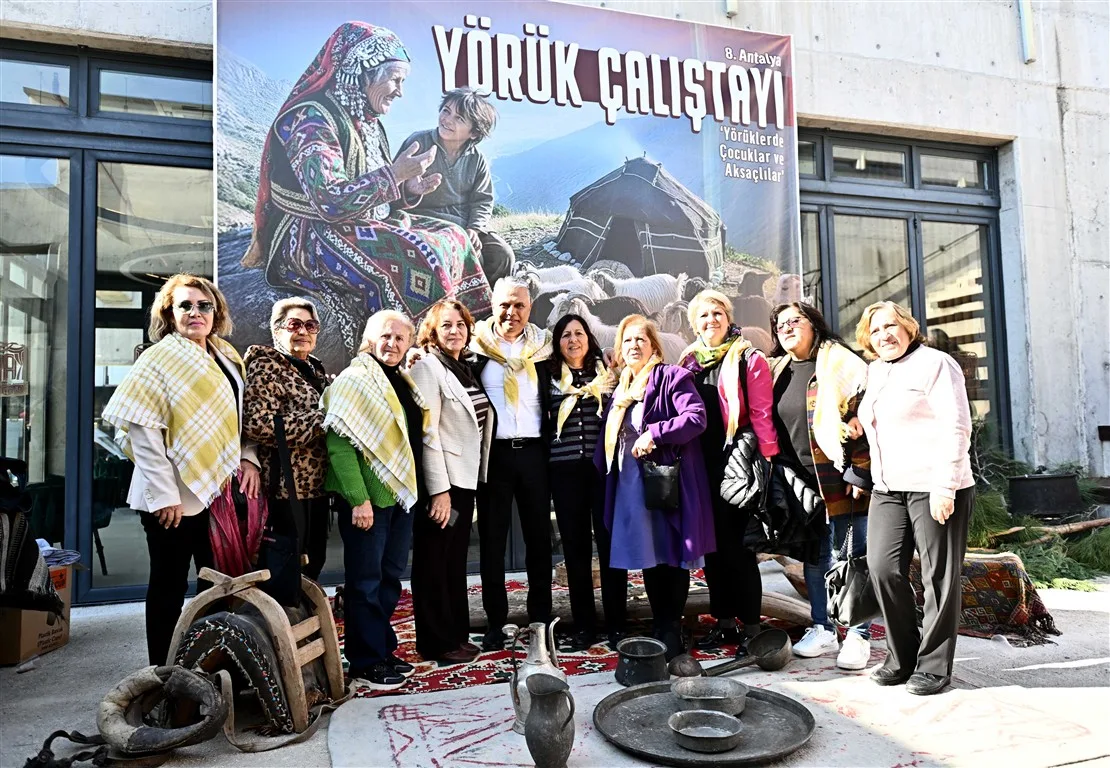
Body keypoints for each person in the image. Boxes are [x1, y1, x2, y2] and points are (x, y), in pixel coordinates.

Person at [240, 21, 491, 355]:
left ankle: (469, 341)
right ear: (364, 73)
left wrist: (409, 186)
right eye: (395, 80)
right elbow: (329, 201)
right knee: (418, 257)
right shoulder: (310, 119)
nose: (400, 91)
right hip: (310, 231)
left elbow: (379, 189)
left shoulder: (368, 120)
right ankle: (421, 353)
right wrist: (393, 175)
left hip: (362, 219)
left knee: (454, 236)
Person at [102, 274, 260, 665]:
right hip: (172, 498)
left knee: (215, 583)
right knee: (168, 585)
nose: (195, 312)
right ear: (169, 313)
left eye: (204, 305)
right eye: (184, 305)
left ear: (216, 312)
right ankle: (164, 670)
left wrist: (247, 456)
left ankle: (207, 662)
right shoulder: (158, 358)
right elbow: (142, 429)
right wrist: (164, 495)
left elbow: (237, 418)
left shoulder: (227, 355)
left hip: (217, 492)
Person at [857, 301, 974, 696]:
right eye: (875, 330)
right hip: (888, 488)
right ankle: (902, 656)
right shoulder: (876, 370)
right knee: (882, 567)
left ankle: (934, 666)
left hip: (934, 484)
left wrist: (945, 486)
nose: (884, 335)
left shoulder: (936, 364)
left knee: (937, 576)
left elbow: (956, 426)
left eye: (890, 326)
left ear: (908, 327)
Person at [596, 315, 715, 660]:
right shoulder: (621, 388)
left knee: (671, 553)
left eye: (640, 339)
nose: (634, 345)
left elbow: (696, 418)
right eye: (627, 340)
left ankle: (670, 627)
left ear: (654, 346)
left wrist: (655, 433)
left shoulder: (671, 377)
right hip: (631, 483)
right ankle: (659, 625)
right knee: (649, 555)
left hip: (665, 479)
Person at [323, 310, 427, 690]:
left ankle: (382, 650)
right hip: (369, 501)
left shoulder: (402, 381)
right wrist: (358, 499)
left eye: (400, 338)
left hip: (399, 498)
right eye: (385, 336)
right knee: (365, 582)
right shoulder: (354, 381)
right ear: (369, 339)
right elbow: (339, 445)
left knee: (388, 580)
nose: (392, 343)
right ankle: (365, 660)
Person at [768, 302, 873, 670]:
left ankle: (858, 634)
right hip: (801, 482)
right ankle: (822, 626)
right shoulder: (777, 370)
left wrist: (861, 472)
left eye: (795, 320)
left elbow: (865, 415)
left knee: (851, 555)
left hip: (839, 476)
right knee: (815, 557)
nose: (787, 328)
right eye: (780, 324)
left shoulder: (840, 363)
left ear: (813, 324)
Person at [678, 290, 779, 655]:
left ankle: (751, 627)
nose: (712, 320)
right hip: (699, 465)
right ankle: (723, 624)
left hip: (737, 462)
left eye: (718, 313)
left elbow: (762, 413)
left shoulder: (749, 357)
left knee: (739, 549)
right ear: (694, 324)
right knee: (712, 549)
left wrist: (768, 459)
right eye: (704, 315)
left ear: (728, 317)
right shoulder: (688, 361)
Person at [470, 276, 555, 651]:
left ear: (529, 308)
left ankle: (541, 621)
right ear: (492, 305)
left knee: (539, 541)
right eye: (505, 304)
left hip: (535, 454)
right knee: (492, 542)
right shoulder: (475, 350)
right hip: (495, 456)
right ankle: (495, 623)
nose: (511, 312)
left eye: (519, 305)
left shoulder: (544, 348)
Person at [408, 300, 493, 663]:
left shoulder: (463, 368)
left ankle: (456, 634)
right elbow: (428, 434)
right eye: (446, 325)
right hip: (444, 484)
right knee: (433, 563)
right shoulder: (428, 368)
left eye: (460, 324)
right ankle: (436, 642)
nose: (455, 331)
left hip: (465, 482)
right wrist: (439, 491)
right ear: (433, 331)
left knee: (453, 561)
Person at [243, 298, 331, 580]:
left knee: (313, 565)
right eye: (294, 324)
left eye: (310, 325)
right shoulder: (266, 366)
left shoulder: (314, 369)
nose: (303, 331)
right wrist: (321, 421)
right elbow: (257, 424)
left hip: (317, 488)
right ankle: (284, 611)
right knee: (284, 571)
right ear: (277, 329)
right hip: (285, 489)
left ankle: (306, 610)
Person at [544, 313, 618, 650]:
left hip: (602, 472)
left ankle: (616, 624)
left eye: (579, 333)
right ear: (557, 343)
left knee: (609, 547)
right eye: (565, 335)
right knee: (575, 551)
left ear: (589, 338)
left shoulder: (606, 373)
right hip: (564, 474)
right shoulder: (547, 377)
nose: (573, 340)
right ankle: (584, 625)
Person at [400, 87, 515, 285]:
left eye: (459, 118)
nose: (447, 120)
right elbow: (393, 186)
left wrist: (474, 228)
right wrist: (410, 190)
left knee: (503, 255)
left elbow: (483, 200)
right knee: (472, 257)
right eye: (446, 111)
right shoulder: (418, 143)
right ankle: (462, 302)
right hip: (422, 219)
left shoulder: (477, 159)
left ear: (474, 132)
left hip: (463, 222)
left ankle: (491, 301)